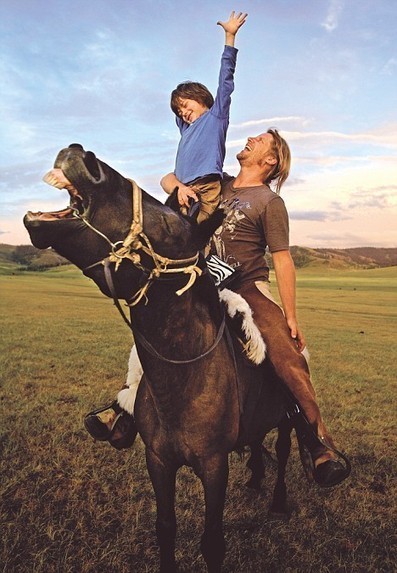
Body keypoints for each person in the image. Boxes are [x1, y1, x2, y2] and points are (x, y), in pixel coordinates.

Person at [85, 129, 350, 488]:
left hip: (247, 287)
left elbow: (283, 259)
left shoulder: (269, 203)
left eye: (260, 140)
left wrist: (289, 314)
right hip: (203, 283)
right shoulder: (217, 184)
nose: (250, 140)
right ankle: (126, 409)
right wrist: (176, 184)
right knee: (153, 331)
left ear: (270, 160)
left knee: (283, 350)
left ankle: (317, 439)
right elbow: (166, 178)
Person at [161, 10, 247, 222]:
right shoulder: (186, 129)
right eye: (179, 111)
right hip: (181, 191)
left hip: (205, 188)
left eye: (185, 105)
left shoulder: (216, 117)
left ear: (199, 97)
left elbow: (225, 81)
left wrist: (230, 37)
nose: (183, 112)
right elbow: (179, 113)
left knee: (196, 236)